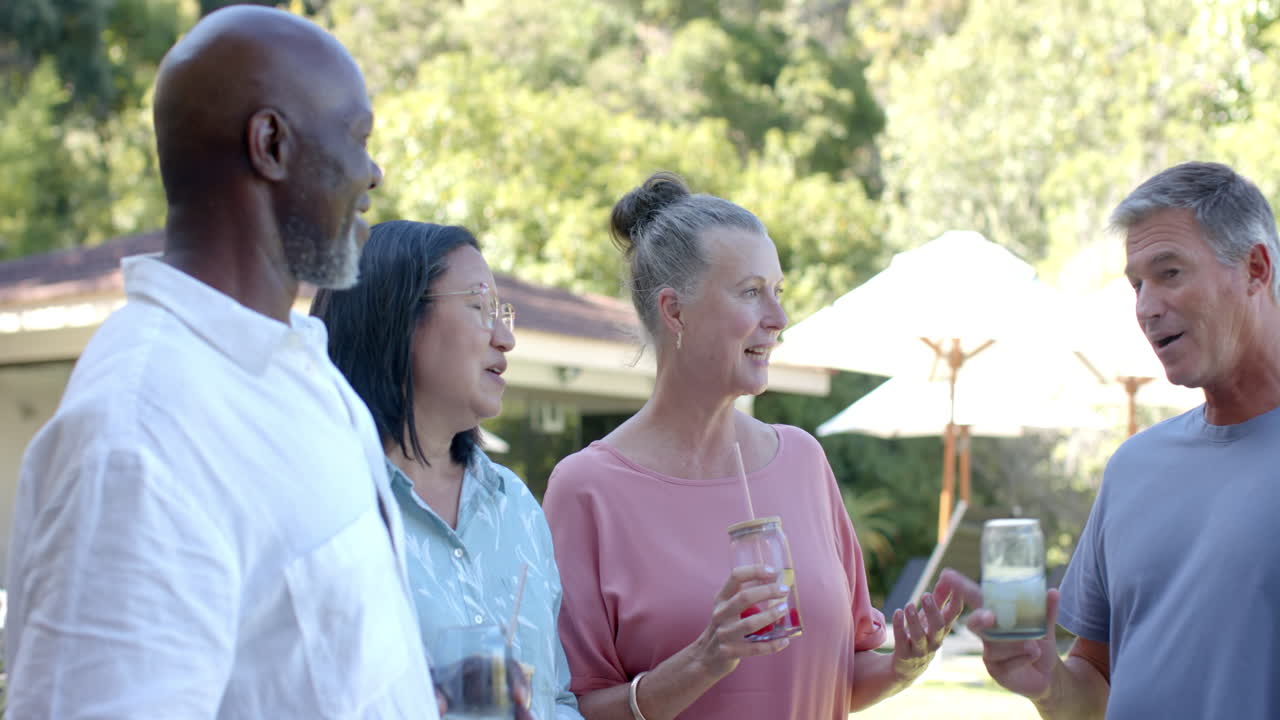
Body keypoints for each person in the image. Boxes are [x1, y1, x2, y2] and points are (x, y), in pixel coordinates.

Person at [3, 7, 440, 718]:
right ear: (270, 144)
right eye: (358, 138)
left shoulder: (298, 368)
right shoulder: (141, 439)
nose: (374, 172)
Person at [542, 171, 964, 720]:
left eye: (778, 292)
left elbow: (839, 671)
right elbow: (571, 709)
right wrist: (704, 659)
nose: (779, 319)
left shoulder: (803, 462)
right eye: (750, 293)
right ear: (674, 312)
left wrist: (903, 666)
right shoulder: (586, 489)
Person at [944, 161, 1280, 719]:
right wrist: (1047, 682)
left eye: (1169, 273)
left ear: (1255, 268)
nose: (1146, 306)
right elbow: (1091, 690)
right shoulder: (1134, 468)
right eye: (1137, 284)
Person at [312, 220, 582, 720]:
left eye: (503, 313)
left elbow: (557, 698)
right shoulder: (325, 507)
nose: (505, 338)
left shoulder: (516, 504)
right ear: (396, 316)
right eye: (479, 307)